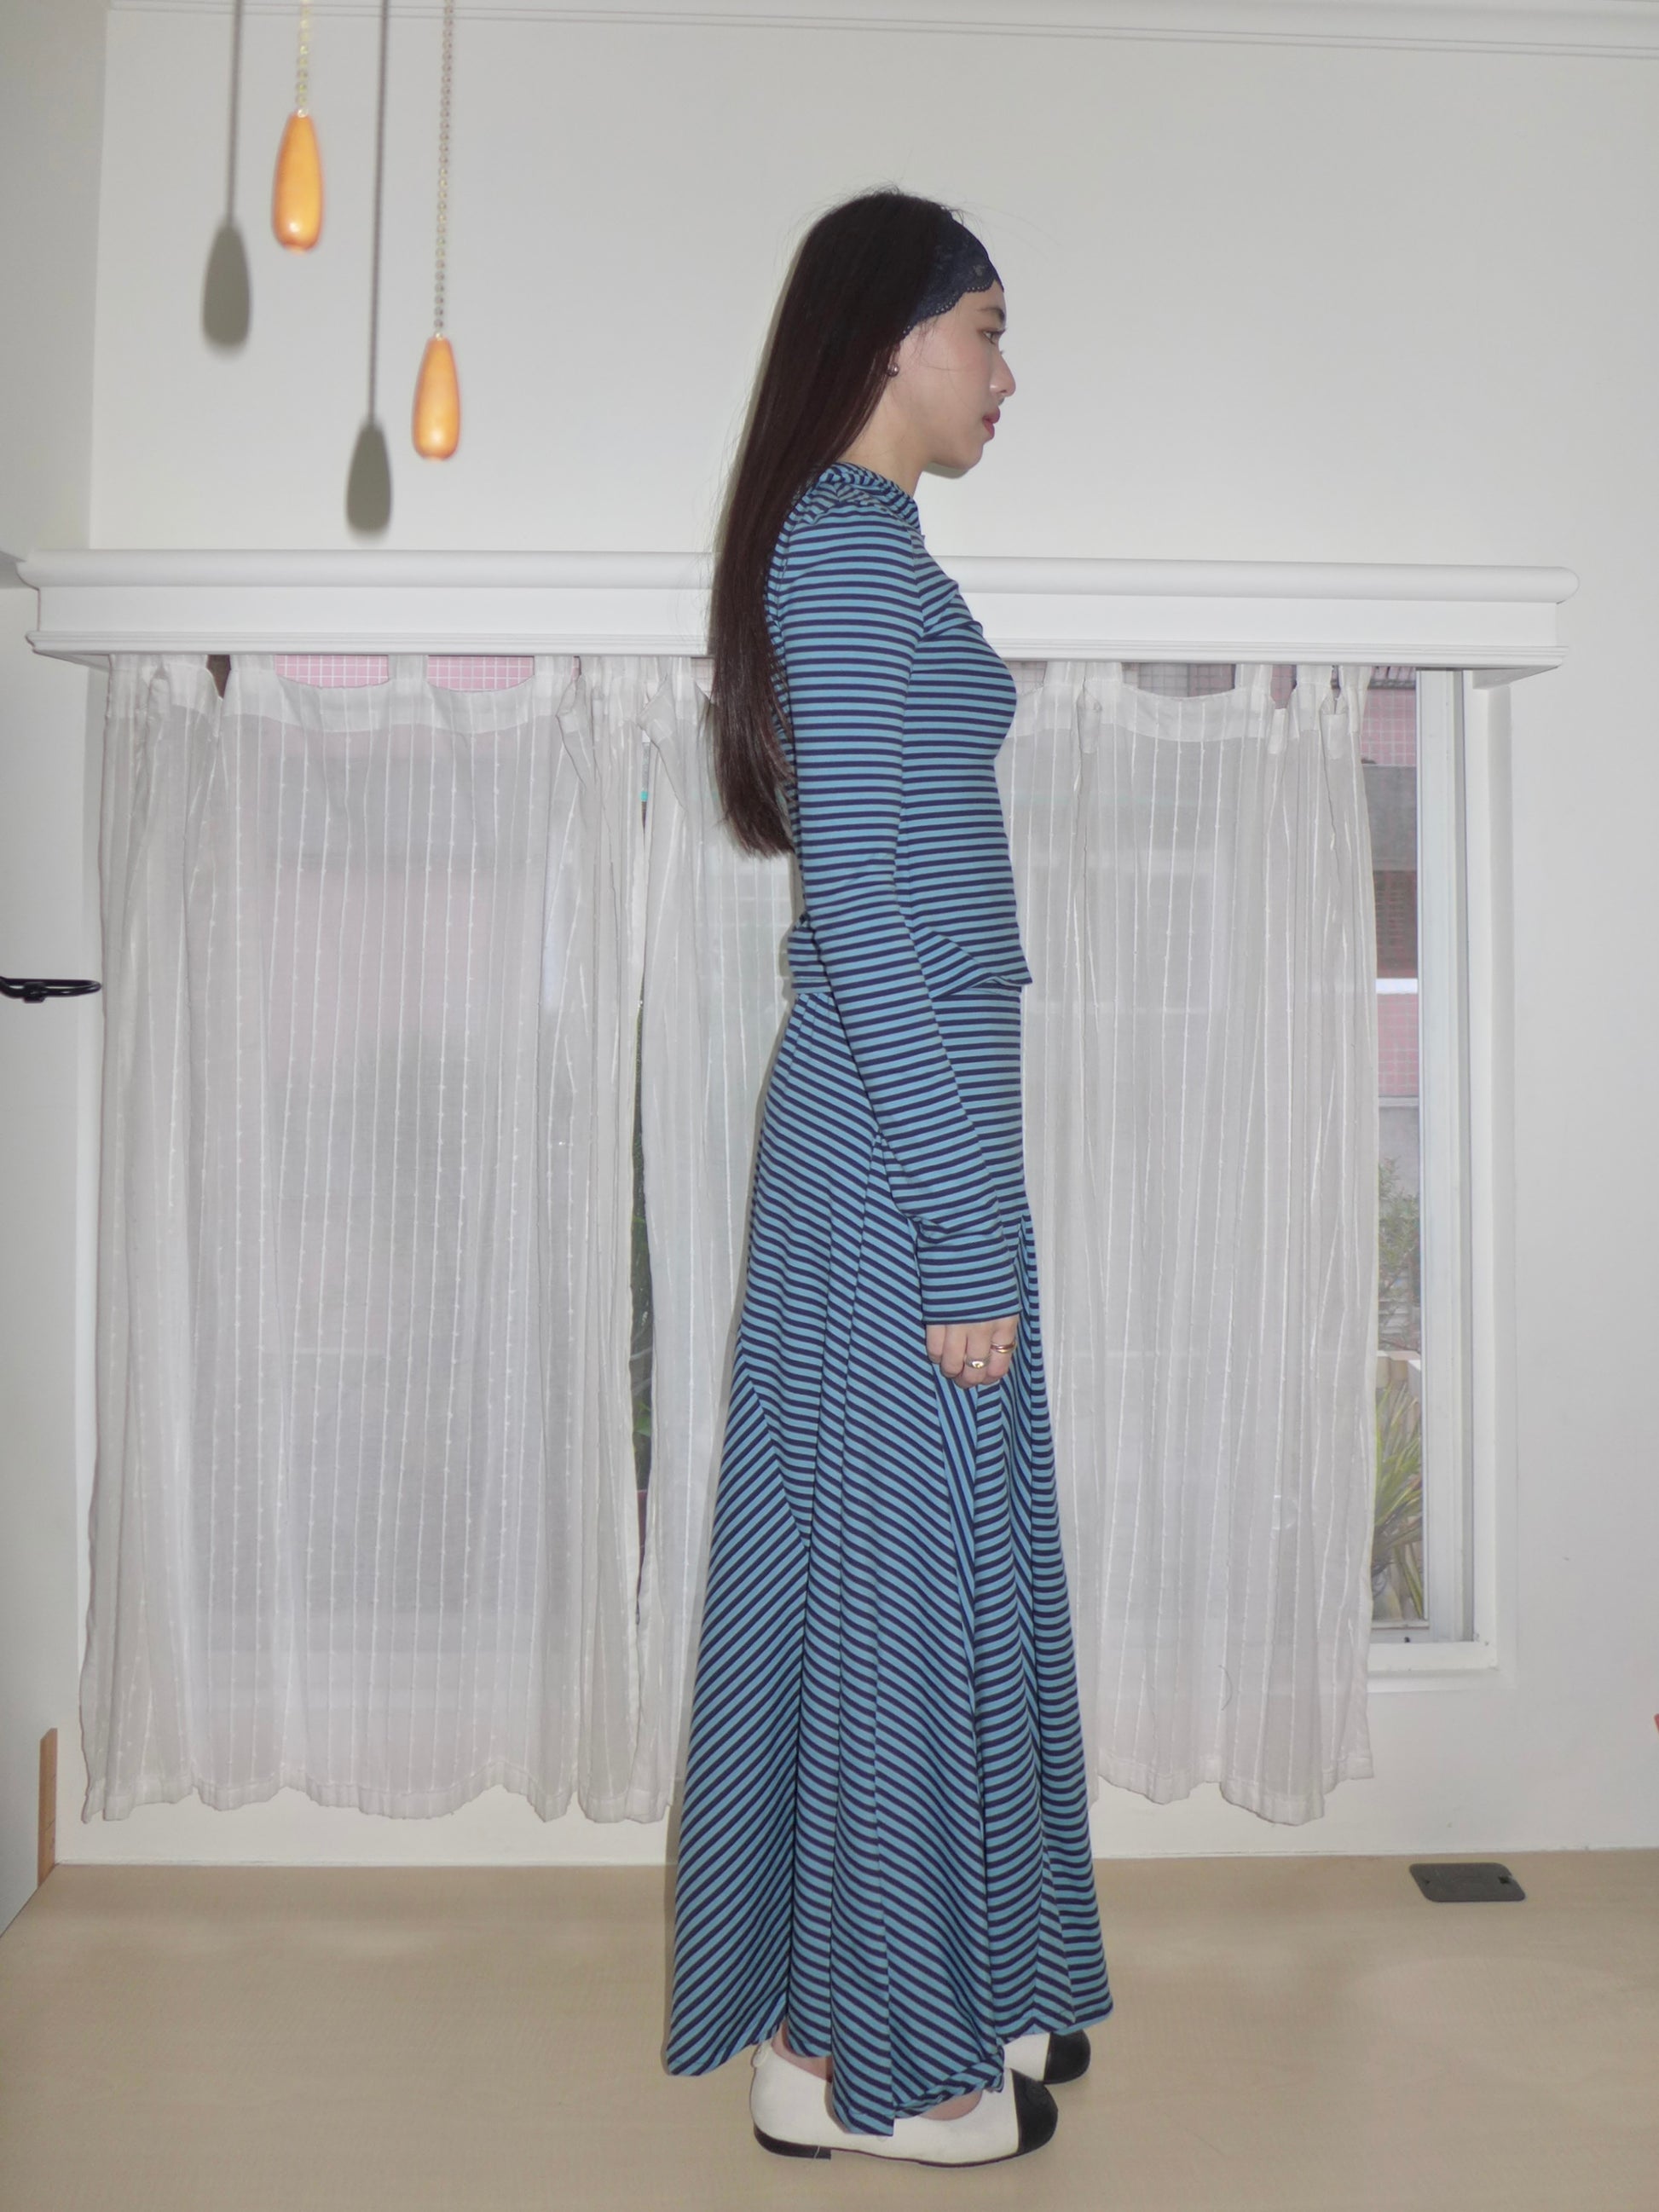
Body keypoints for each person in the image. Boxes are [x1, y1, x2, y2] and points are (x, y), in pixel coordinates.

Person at [662, 188, 1113, 2169]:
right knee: (896, 1589)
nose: (1007, 372)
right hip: (887, 1141)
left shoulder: (869, 542)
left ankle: (910, 1997)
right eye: (986, 327)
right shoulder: (846, 546)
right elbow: (854, 900)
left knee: (918, 1575)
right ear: (890, 334)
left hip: (904, 1124)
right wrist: (957, 1225)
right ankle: (875, 2062)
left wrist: (970, 1195)